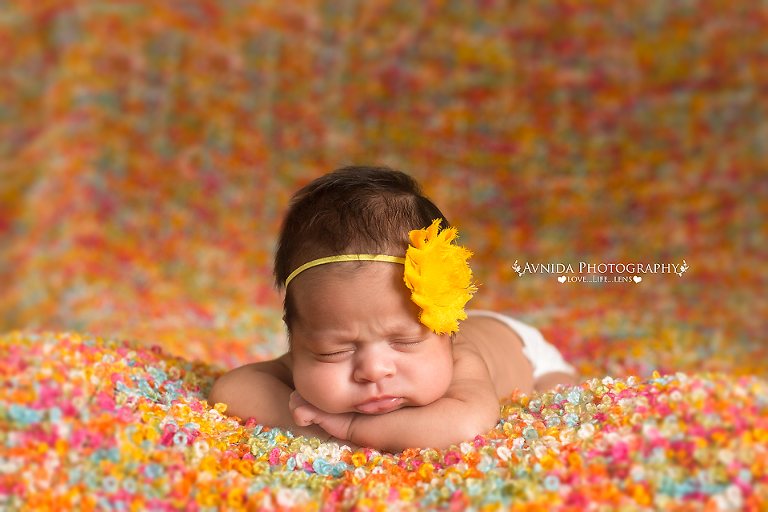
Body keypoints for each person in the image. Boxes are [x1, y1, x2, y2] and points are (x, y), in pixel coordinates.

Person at [208, 166, 576, 453]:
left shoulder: (461, 360)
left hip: (526, 351)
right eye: (334, 351)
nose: (374, 370)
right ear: (296, 335)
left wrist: (352, 430)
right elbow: (232, 389)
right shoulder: (308, 362)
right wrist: (318, 427)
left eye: (404, 341)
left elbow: (465, 425)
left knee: (559, 398)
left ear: (446, 328)